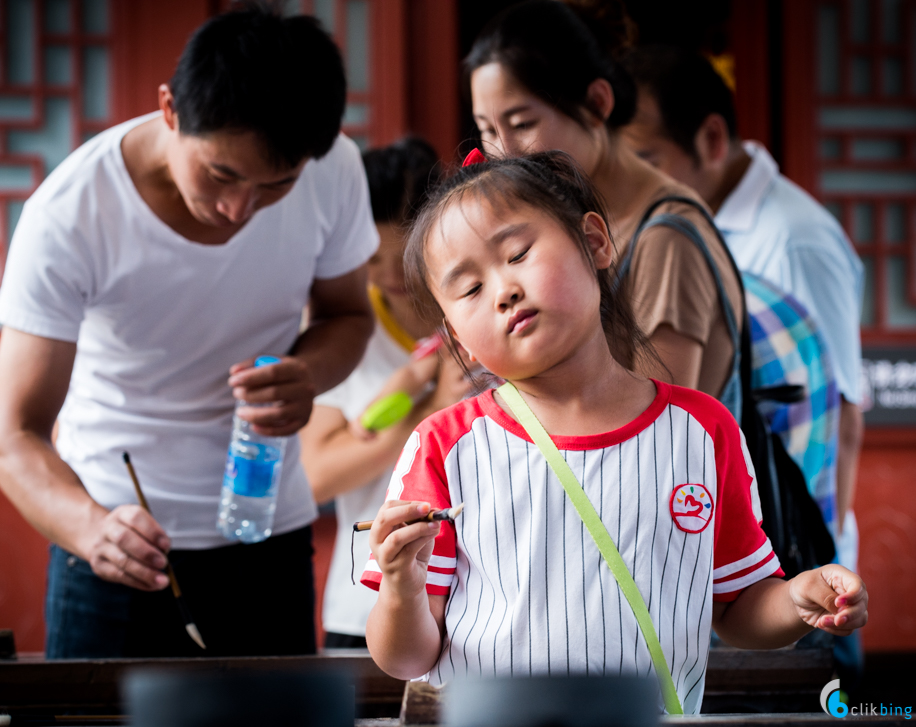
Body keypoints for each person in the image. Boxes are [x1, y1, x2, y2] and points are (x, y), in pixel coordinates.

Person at [359, 152, 867, 714]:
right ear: (456, 334)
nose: (503, 290)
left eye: (518, 253)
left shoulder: (702, 431)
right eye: (470, 288)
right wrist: (401, 585)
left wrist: (798, 599)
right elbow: (404, 658)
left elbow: (739, 607)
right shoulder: (443, 447)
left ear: (594, 242)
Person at [0, 7, 377, 658]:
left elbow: (349, 315)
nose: (239, 210)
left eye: (274, 186)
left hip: (268, 532)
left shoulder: (332, 167)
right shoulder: (70, 215)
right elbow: (15, 434)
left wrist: (308, 374)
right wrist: (90, 529)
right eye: (221, 175)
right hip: (116, 539)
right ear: (170, 109)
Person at [620, 46, 864, 569]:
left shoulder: (793, 242)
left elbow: (844, 414)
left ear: (709, 140)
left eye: (643, 162)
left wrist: (826, 562)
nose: (627, 184)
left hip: (796, 562)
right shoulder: (674, 226)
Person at [465, 0, 745, 411]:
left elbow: (649, 441)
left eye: (523, 124)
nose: (504, 153)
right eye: (487, 129)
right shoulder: (578, 222)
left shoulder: (664, 240)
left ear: (597, 102)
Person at [300, 138, 472, 649]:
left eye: (406, 255)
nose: (391, 276)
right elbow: (316, 476)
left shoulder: (487, 311)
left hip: (482, 604)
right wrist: (434, 408)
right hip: (365, 604)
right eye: (371, 261)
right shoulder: (345, 329)